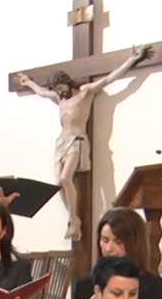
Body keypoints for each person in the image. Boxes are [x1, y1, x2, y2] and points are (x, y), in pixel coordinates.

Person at [17, 45, 152, 239]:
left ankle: (74, 219)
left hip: (76, 140)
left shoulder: (85, 92)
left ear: (65, 82)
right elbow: (42, 93)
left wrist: (132, 60)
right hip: (61, 142)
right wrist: (28, 82)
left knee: (65, 178)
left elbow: (109, 78)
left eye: (59, 87)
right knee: (58, 182)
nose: (57, 91)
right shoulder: (58, 98)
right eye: (55, 89)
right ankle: (73, 219)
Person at [72, 207, 162, 299]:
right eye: (105, 240)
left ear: (135, 244)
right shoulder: (85, 284)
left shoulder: (152, 285)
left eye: (118, 242)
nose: (109, 248)